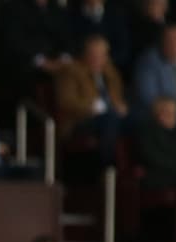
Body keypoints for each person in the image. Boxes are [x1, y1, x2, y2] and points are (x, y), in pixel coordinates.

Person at [55, 35, 128, 164]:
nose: (98, 59)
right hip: (81, 120)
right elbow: (65, 101)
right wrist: (91, 106)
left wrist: (120, 105)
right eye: (94, 55)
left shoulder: (111, 72)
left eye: (102, 55)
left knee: (139, 119)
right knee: (111, 120)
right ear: (85, 54)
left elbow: (116, 97)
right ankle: (107, 166)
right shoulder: (71, 71)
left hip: (110, 116)